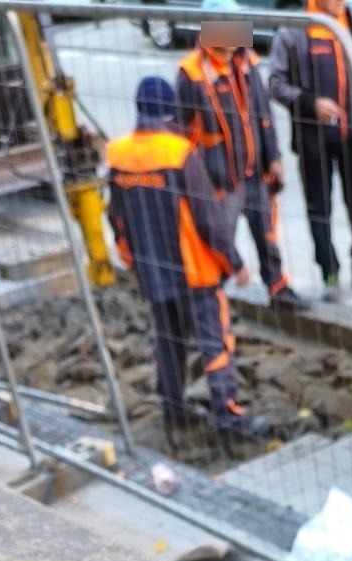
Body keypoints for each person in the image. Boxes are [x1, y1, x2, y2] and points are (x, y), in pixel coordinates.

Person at [107, 76, 254, 444]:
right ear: (170, 111)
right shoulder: (180, 153)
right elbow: (208, 220)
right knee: (214, 341)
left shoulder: (118, 154)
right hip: (196, 273)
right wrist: (234, 263)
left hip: (154, 273)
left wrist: (132, 260)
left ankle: (173, 408)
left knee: (169, 340)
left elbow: (117, 218)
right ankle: (228, 416)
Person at [176, 0, 308, 310]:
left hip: (255, 172)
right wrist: (198, 179)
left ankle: (278, 290)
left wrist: (273, 157)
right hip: (220, 180)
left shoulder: (246, 60)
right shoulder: (191, 73)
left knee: (267, 235)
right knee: (219, 242)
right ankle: (210, 304)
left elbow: (262, 112)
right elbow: (182, 136)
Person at [268, 0, 352, 301]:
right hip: (312, 140)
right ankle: (329, 273)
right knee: (320, 210)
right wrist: (309, 103)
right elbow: (275, 83)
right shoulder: (292, 32)